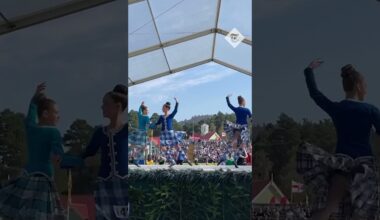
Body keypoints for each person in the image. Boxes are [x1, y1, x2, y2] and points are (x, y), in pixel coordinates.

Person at [297, 59, 380, 220]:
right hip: (364, 167)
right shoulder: (370, 110)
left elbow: (315, 94)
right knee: (363, 213)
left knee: (329, 209)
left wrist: (309, 71)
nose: (366, 90)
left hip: (341, 165)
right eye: (366, 86)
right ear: (359, 86)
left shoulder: (338, 108)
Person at [0, 83, 82, 219]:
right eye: (56, 112)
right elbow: (60, 157)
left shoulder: (31, 129)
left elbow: (31, 115)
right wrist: (81, 160)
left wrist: (34, 100)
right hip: (42, 182)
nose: (58, 116)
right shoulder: (53, 132)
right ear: (45, 114)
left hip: (26, 179)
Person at [82, 85, 129, 220]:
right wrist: (64, 160)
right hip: (104, 186)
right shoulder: (100, 133)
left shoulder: (127, 130)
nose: (102, 107)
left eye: (106, 104)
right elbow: (86, 154)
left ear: (118, 106)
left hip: (125, 185)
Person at [150, 98, 180, 168]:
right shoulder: (161, 117)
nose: (162, 108)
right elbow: (157, 123)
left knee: (177, 146)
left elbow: (175, 111)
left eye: (163, 107)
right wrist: (151, 124)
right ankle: (172, 161)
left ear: (167, 108)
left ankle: (185, 159)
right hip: (163, 133)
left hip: (170, 132)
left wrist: (177, 102)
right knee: (162, 147)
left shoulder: (170, 116)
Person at [129, 102, 150, 167]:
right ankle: (136, 160)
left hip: (138, 132)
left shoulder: (140, 115)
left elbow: (139, 110)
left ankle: (135, 160)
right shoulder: (147, 117)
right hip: (143, 133)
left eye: (148, 110)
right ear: (144, 111)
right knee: (144, 148)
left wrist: (141, 105)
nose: (148, 111)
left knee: (133, 145)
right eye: (147, 110)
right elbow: (147, 126)